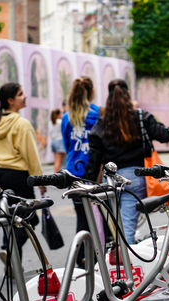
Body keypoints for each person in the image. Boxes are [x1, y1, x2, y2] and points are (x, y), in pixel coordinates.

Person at [86, 79, 169, 244]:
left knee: (115, 226)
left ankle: (121, 263)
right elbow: (164, 135)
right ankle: (130, 265)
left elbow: (94, 158)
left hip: (110, 181)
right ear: (128, 95)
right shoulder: (140, 117)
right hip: (135, 178)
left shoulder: (101, 123)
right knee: (127, 228)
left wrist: (89, 183)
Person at [0, 82, 43, 260]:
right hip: (17, 177)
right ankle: (8, 248)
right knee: (27, 219)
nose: (25, 96)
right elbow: (30, 155)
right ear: (11, 100)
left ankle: (12, 265)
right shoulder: (22, 124)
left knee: (9, 220)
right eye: (21, 94)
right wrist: (41, 180)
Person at [61, 78, 99, 268]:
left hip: (73, 171)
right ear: (91, 92)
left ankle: (81, 256)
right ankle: (93, 255)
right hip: (94, 172)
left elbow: (67, 146)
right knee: (98, 216)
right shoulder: (97, 113)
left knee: (82, 217)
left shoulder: (67, 117)